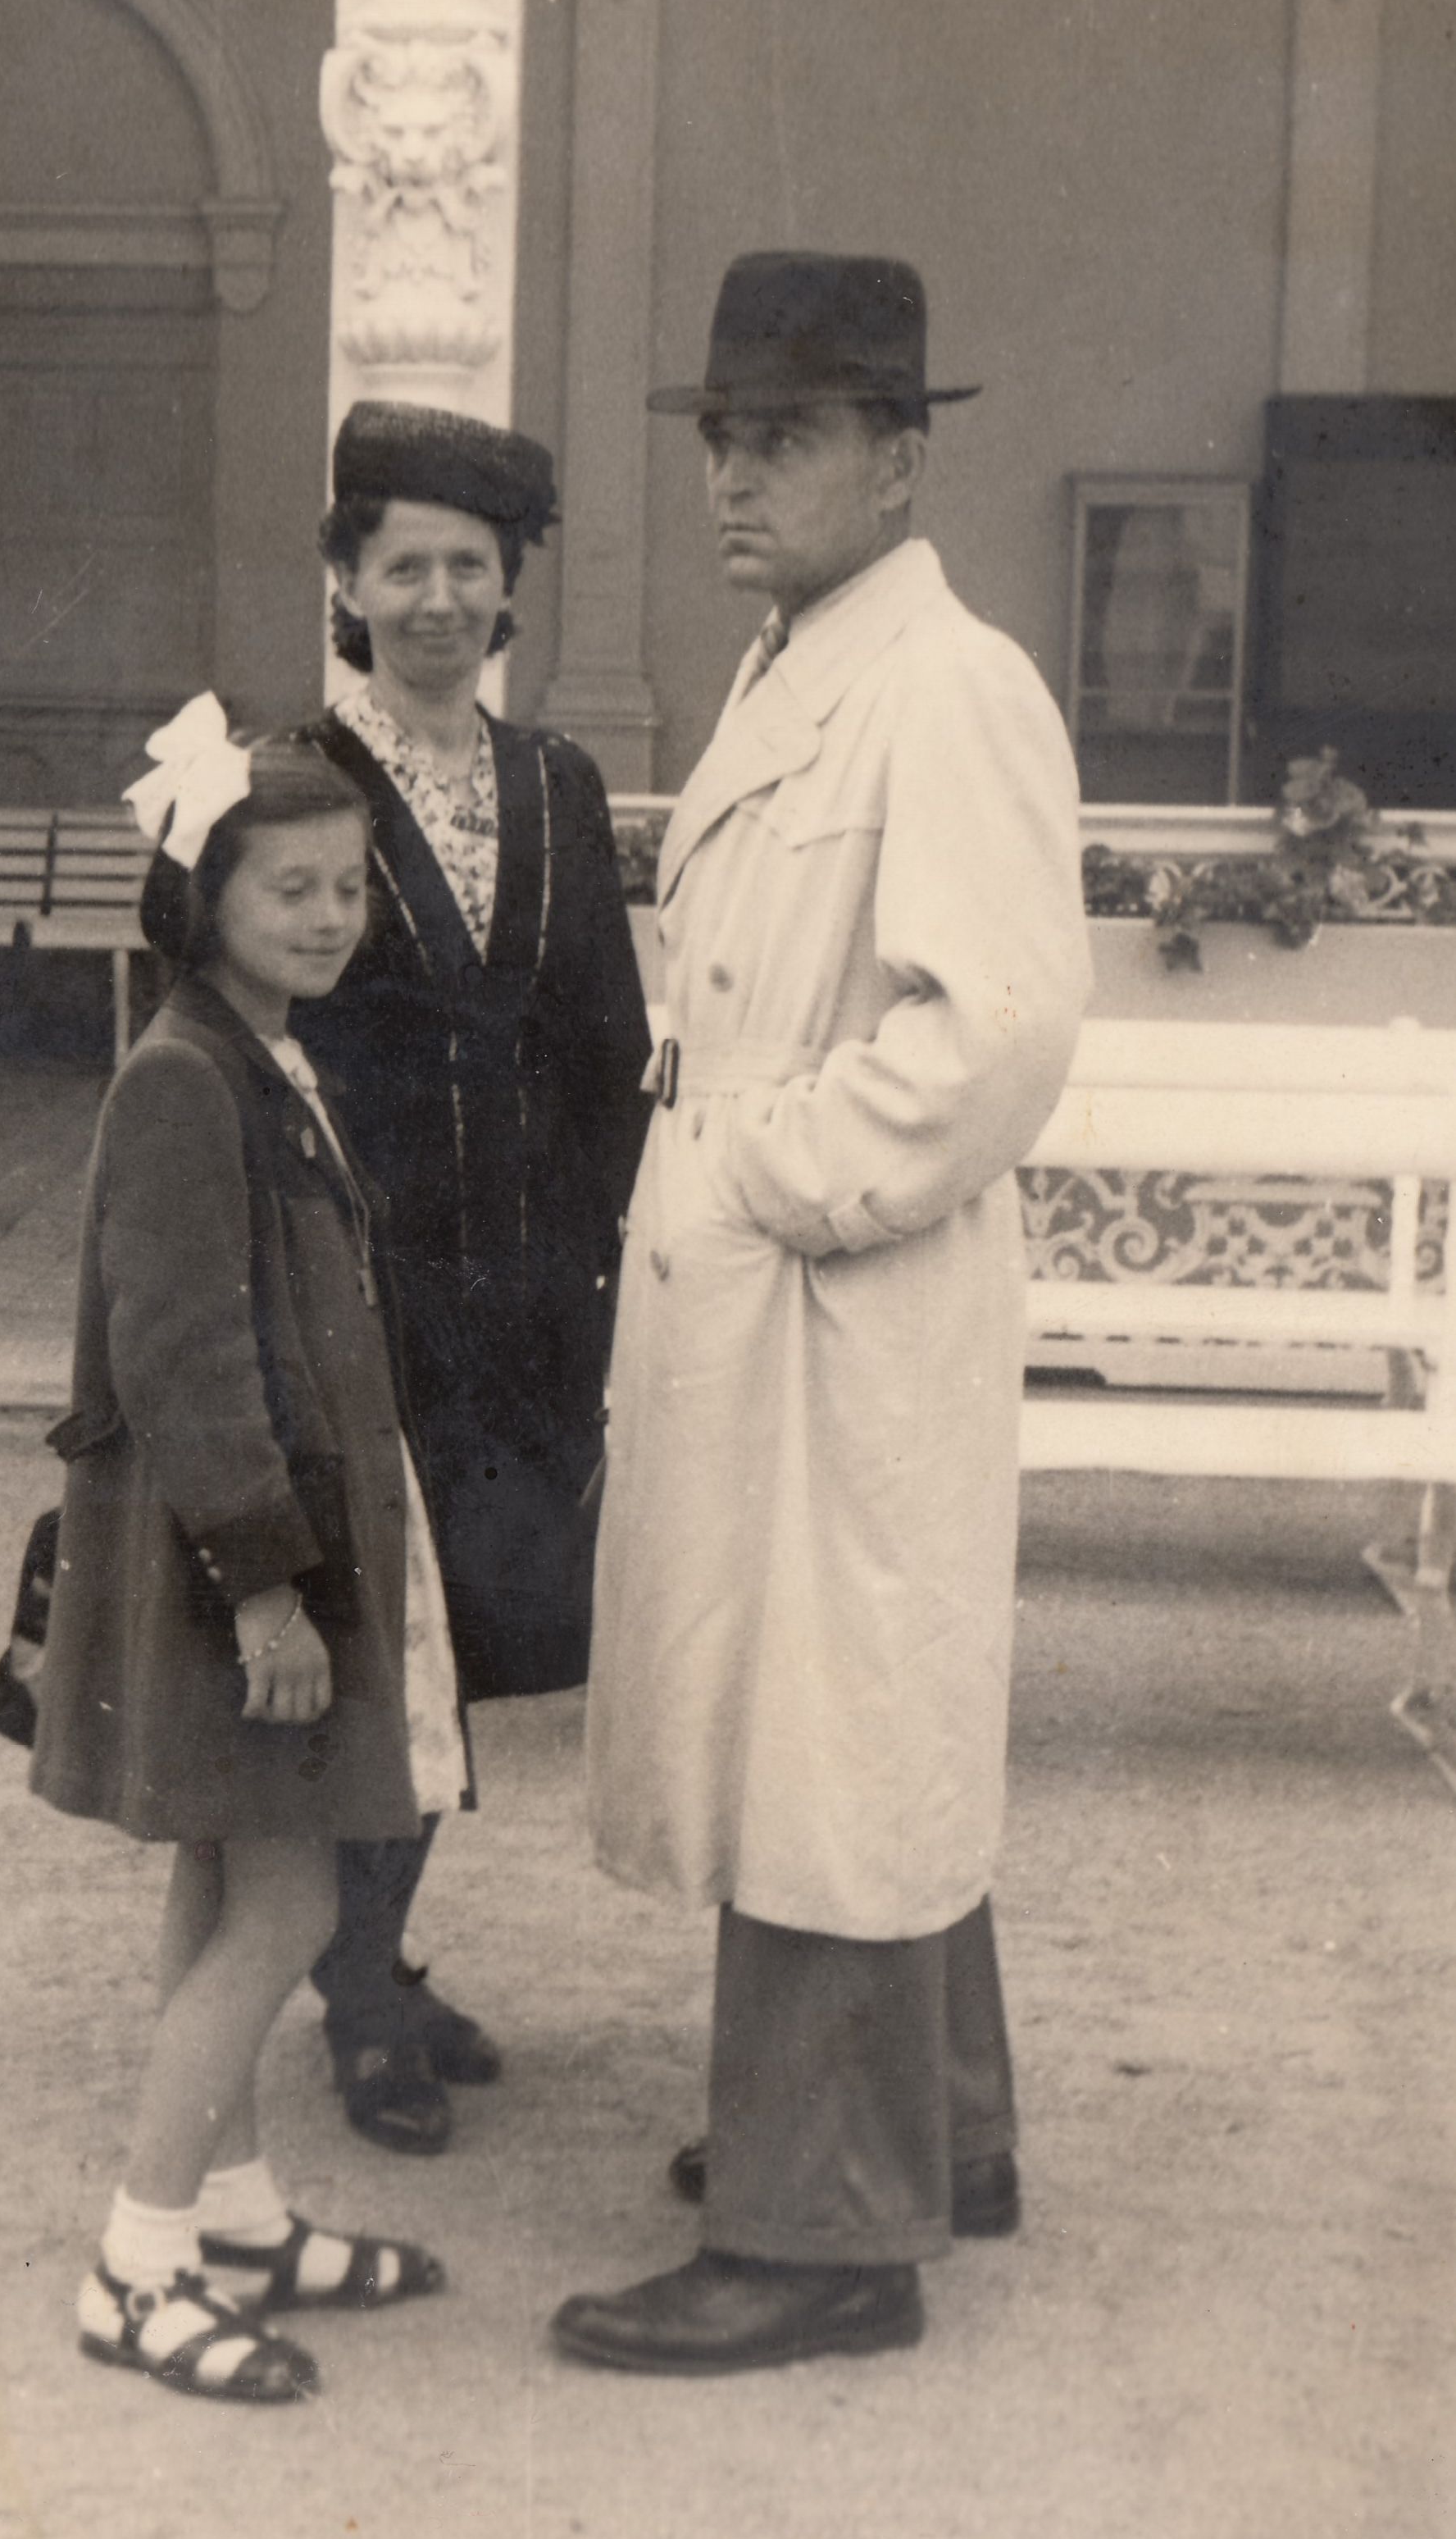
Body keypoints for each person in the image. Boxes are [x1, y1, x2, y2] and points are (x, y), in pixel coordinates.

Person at [552, 253, 1092, 2375]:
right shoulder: (799, 668)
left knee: (833, 1724)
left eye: (779, 437)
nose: (731, 478)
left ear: (896, 458)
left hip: (841, 1280)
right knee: (843, 1700)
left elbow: (993, 1033)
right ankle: (940, 2128)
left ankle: (824, 2230)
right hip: (769, 1278)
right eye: (719, 437)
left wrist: (766, 1167)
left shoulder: (946, 686)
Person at [27, 700, 465, 2405]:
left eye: (349, 886)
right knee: (292, 1892)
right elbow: (183, 1353)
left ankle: (233, 2214)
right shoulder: (183, 1076)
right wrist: (269, 1585)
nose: (330, 916)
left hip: (256, 1557)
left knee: (227, 1879)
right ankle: (138, 2266)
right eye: (290, 888)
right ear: (200, 899)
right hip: (239, 1573)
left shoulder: (261, 1054)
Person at [292, 403, 653, 2155]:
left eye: (469, 568)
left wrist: (611, 1272)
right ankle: (357, 1993)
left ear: (508, 590)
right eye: (403, 567)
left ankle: (370, 1954)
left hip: (522, 1308)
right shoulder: (285, 783)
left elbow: (606, 1045)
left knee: (468, 1640)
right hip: (356, 1297)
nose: (437, 600)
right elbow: (223, 1021)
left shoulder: (555, 784)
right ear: (348, 583)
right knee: (372, 1644)